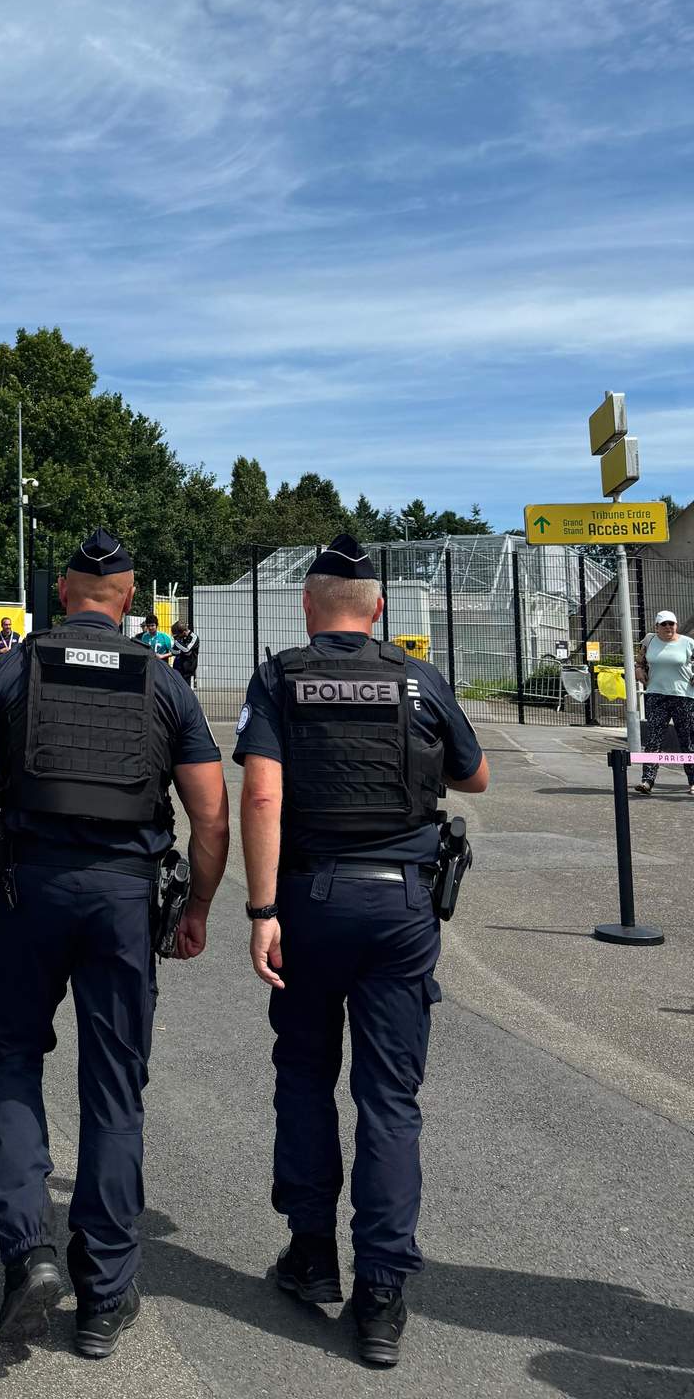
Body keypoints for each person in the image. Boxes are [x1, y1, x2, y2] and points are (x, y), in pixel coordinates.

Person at [0, 528, 230, 1359]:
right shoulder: (164, 683)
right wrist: (199, 906)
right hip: (126, 900)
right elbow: (210, 814)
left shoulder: (10, 669)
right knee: (113, 1087)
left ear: (61, 593)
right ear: (129, 600)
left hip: (33, 892)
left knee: (15, 1059)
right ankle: (103, 1295)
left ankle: (27, 1253)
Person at [234, 534, 489, 1370]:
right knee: (390, 1098)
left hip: (310, 901)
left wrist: (261, 909)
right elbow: (475, 773)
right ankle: (381, 1292)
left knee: (305, 1076)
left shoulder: (280, 677)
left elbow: (262, 793)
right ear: (377, 608)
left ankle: (312, 1256)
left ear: (306, 608)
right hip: (402, 906)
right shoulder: (418, 679)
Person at [634, 609, 694, 795]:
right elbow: (640, 660)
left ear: (676, 625)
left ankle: (693, 782)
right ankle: (647, 781)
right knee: (653, 738)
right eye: (664, 624)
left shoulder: (688, 643)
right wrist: (638, 669)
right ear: (657, 626)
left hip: (683, 696)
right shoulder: (650, 641)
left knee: (688, 739)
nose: (668, 627)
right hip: (656, 695)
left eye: (671, 624)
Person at [171, 620, 200, 688]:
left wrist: (176, 641)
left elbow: (187, 650)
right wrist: (180, 651)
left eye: (177, 635)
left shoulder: (194, 637)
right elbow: (173, 650)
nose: (176, 637)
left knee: (188, 692)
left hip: (188, 671)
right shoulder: (180, 638)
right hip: (178, 669)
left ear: (184, 632)